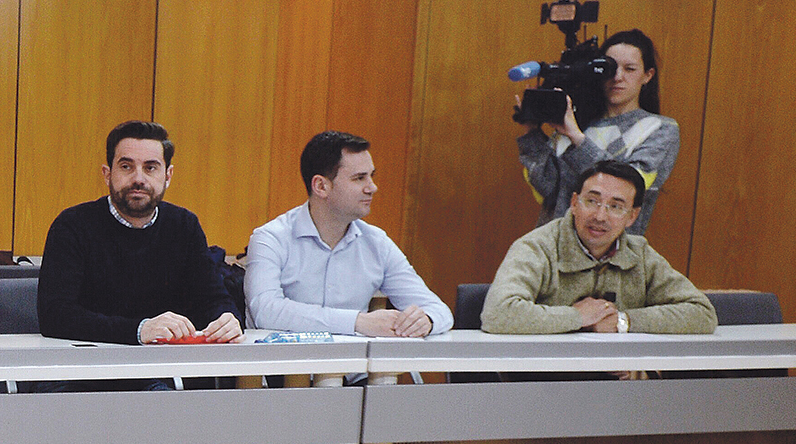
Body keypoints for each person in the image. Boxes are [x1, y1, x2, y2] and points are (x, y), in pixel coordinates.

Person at [37, 120, 239, 359]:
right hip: (86, 370)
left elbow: (213, 298)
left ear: (168, 175)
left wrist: (226, 318)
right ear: (107, 174)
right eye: (126, 166)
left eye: (151, 168)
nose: (138, 179)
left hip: (163, 368)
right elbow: (56, 315)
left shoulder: (184, 225)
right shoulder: (72, 225)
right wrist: (139, 330)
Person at [246, 131, 452, 337]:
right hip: (288, 366)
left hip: (355, 368)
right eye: (359, 178)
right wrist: (357, 322)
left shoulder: (377, 242)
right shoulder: (271, 238)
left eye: (372, 176)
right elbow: (265, 311)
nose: (372, 187)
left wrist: (426, 320)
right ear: (321, 186)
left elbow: (439, 310)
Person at [482, 160, 716, 333]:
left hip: (613, 380)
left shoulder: (639, 253)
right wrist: (577, 316)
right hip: (542, 380)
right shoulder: (537, 247)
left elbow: (702, 313)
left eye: (616, 206)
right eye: (592, 201)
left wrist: (623, 321)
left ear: (632, 216)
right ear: (574, 203)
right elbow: (497, 314)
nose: (600, 216)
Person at [517, 29, 677, 235]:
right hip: (551, 250)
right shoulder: (577, 121)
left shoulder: (660, 129)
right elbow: (546, 190)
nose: (618, 77)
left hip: (610, 257)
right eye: (609, 68)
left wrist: (578, 139)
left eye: (630, 69)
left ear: (647, 75)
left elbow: (626, 186)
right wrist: (532, 132)